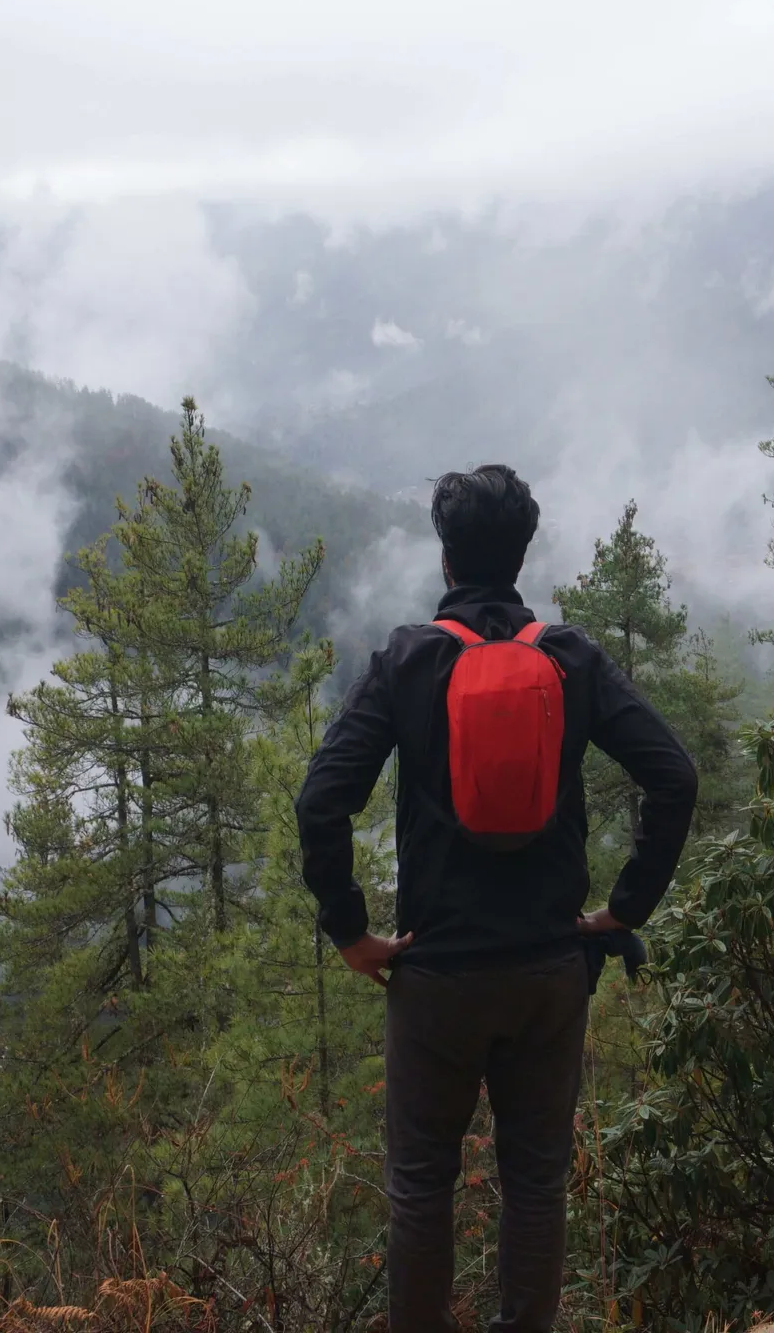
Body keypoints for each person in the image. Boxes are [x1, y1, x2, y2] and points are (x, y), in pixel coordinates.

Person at [296, 464, 699, 1333]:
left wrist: (351, 932)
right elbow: (674, 777)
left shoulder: (409, 660)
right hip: (549, 968)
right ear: (522, 555)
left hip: (435, 974)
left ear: (447, 558)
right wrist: (624, 909)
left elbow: (321, 799)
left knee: (419, 1189)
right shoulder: (571, 658)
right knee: (536, 1183)